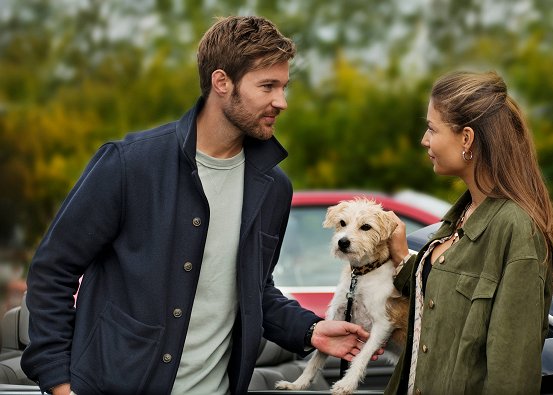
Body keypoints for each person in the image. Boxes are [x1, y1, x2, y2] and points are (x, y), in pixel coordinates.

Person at [21, 16, 373, 395]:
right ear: (222, 82)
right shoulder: (129, 165)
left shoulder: (273, 188)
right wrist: (60, 384)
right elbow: (51, 273)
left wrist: (311, 330)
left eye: (284, 86)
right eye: (268, 86)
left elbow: (254, 291)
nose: (281, 102)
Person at [385, 71, 553, 395]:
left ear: (466, 138)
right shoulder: (460, 217)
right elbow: (447, 294)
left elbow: (511, 376)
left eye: (432, 128)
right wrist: (400, 258)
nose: (425, 140)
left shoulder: (516, 230)